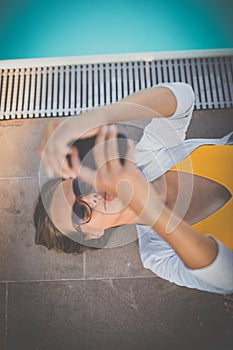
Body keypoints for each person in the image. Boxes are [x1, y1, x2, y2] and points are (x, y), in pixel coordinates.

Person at [34, 82, 233, 295]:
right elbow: (227, 278)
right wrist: (149, 208)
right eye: (79, 212)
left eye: (79, 185)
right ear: (94, 235)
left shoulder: (145, 160)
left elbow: (184, 97)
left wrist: (98, 116)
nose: (91, 196)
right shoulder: (159, 256)